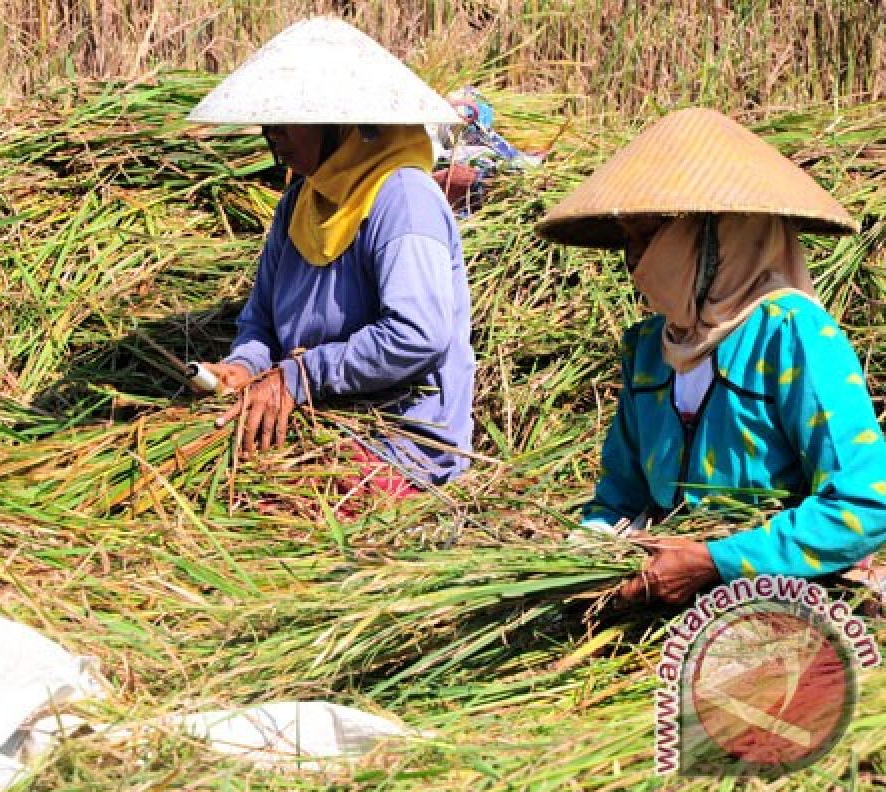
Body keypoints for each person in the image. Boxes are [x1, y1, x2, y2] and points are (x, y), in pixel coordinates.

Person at [534, 107, 886, 604]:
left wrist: (713, 561)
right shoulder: (648, 350)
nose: (635, 260)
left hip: (780, 604)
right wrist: (585, 554)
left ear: (720, 235)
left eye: (650, 236)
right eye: (628, 242)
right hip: (671, 595)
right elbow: (622, 494)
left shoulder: (790, 334)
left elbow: (865, 503)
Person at [188, 18, 476, 489]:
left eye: (286, 121)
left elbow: (417, 334)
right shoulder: (300, 201)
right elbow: (260, 322)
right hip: (316, 418)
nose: (272, 134)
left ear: (340, 123)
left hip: (400, 442)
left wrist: (300, 376)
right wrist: (245, 367)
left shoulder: (403, 199)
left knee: (275, 511)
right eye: (270, 121)